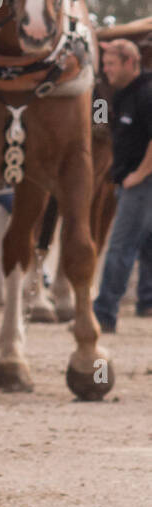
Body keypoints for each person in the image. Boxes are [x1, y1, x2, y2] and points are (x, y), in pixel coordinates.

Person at [94, 39, 152, 332]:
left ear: (130, 62)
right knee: (147, 245)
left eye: (111, 64)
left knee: (120, 247)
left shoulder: (146, 93)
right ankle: (148, 302)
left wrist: (139, 174)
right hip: (130, 179)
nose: (106, 70)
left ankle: (103, 313)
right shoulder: (120, 96)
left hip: (142, 183)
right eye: (104, 65)